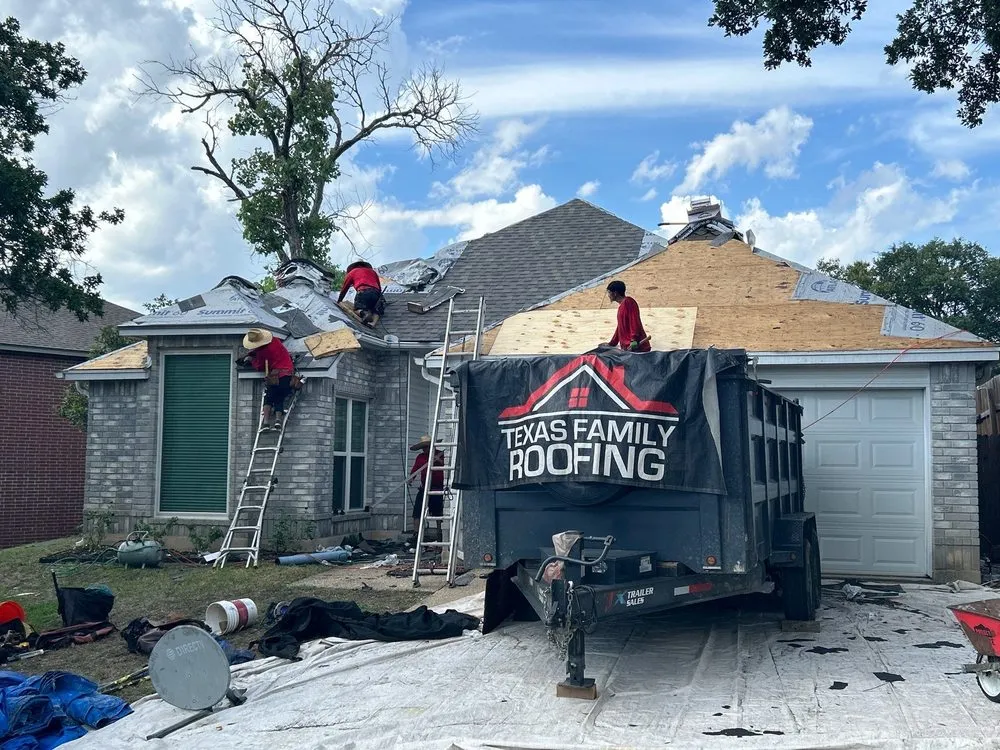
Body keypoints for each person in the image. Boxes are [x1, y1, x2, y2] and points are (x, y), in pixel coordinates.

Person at [239, 328, 295, 431]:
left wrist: (251, 360)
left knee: (269, 398)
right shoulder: (276, 340)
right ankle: (278, 421)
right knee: (279, 398)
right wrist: (253, 353)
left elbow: (260, 366)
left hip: (275, 377)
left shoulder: (264, 352)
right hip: (288, 374)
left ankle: (266, 423)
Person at [408, 435, 446, 540]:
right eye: (423, 448)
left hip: (437, 487)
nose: (425, 449)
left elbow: (444, 466)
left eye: (427, 447)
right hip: (424, 487)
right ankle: (416, 534)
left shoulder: (440, 454)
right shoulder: (420, 457)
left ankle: (439, 533)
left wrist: (438, 460)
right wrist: (411, 478)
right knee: (417, 511)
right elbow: (416, 469)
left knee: (438, 511)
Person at [605, 280, 651, 352]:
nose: (608, 295)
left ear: (615, 293)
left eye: (609, 292)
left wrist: (634, 340)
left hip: (637, 348)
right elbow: (620, 327)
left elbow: (634, 321)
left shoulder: (628, 302)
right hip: (628, 349)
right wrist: (612, 343)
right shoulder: (622, 306)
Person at [337, 261, 385, 327]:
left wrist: (339, 300)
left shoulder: (352, 272)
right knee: (376, 310)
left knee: (357, 309)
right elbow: (379, 287)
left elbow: (345, 288)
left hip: (363, 291)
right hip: (376, 293)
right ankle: (373, 323)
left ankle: (364, 313)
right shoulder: (373, 272)